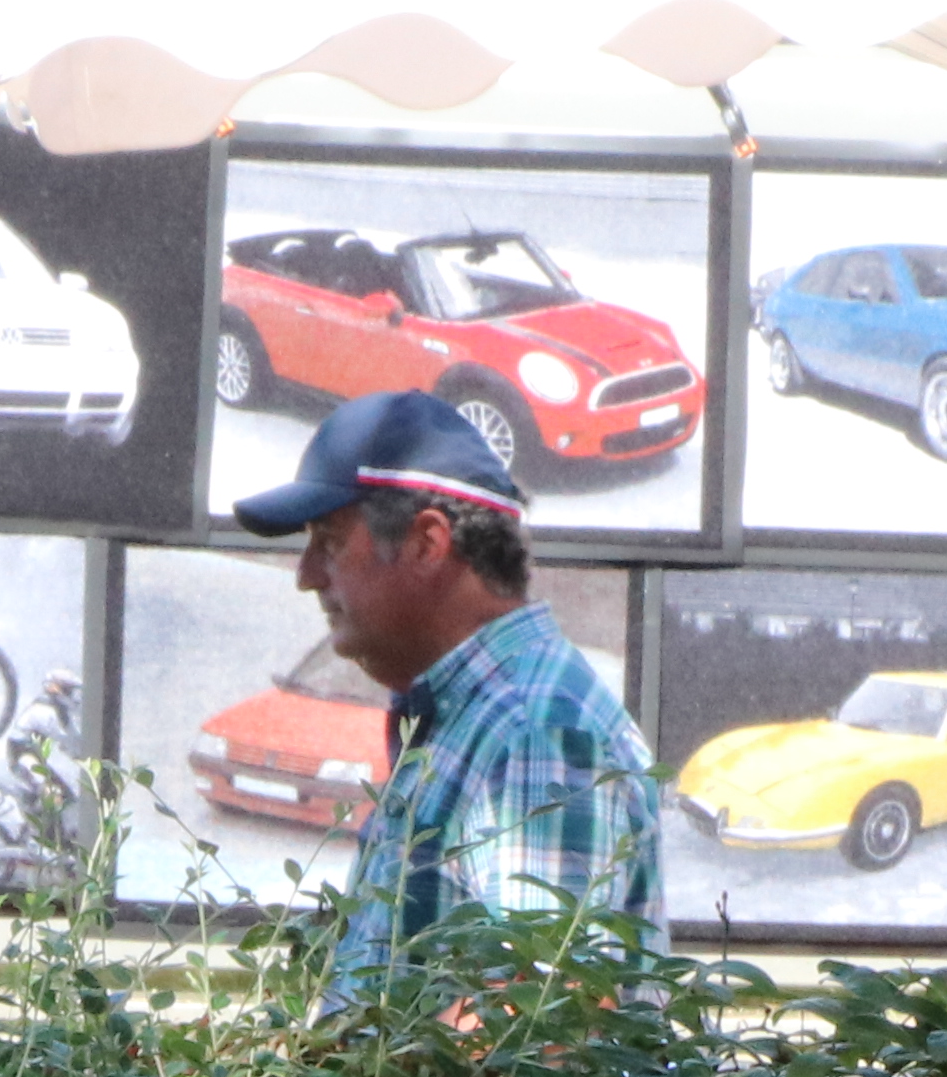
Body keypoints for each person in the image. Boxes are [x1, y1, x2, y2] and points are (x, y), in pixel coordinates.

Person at [228, 386, 660, 996]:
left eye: (327, 543)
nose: (305, 577)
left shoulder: (535, 730)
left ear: (427, 543)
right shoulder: (466, 713)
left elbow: (539, 1035)